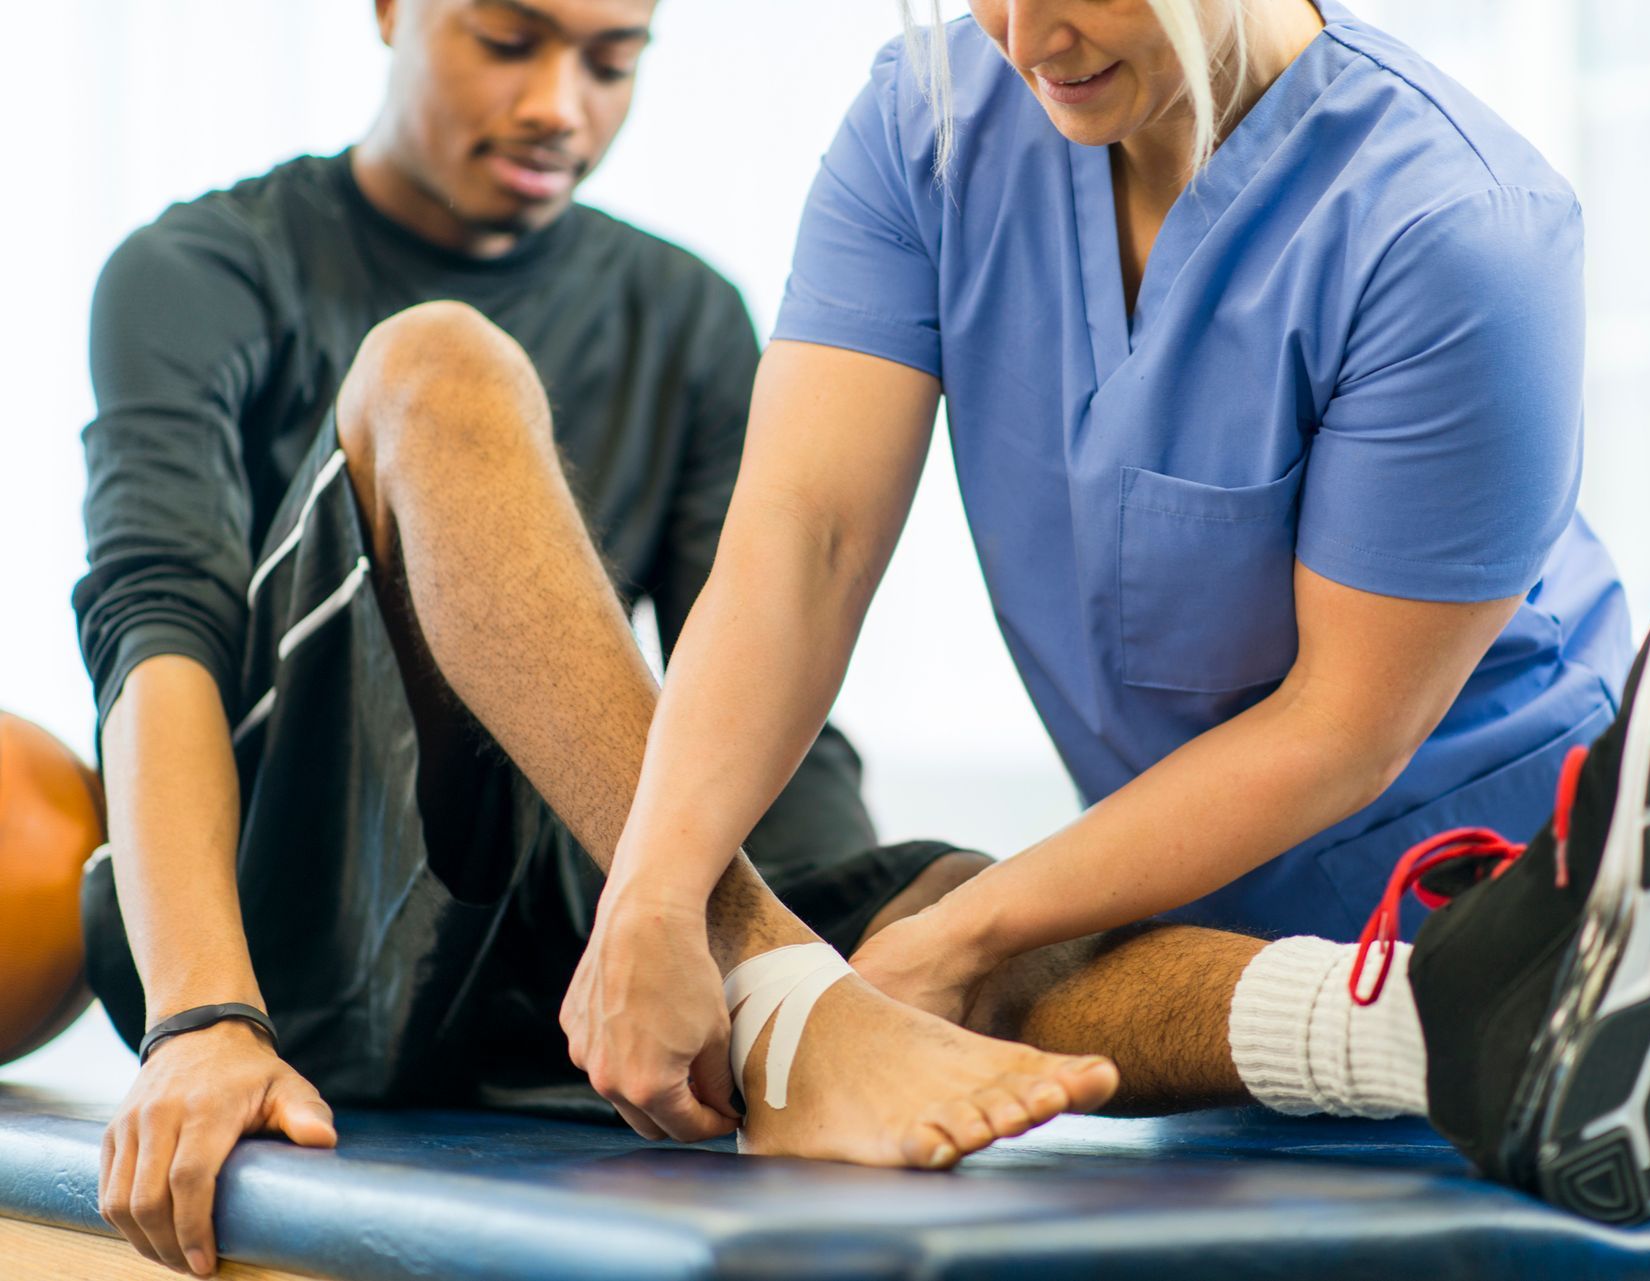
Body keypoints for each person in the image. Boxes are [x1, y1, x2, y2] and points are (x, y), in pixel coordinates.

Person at [562, 0, 1650, 1231]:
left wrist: (961, 935)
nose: (1027, 39)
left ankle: (1525, 999)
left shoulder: (1455, 229)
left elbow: (1342, 728)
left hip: (1491, 905)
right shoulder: (933, 126)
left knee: (956, 930)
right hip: (1191, 943)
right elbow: (806, 542)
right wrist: (655, 893)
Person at [71, 1, 1120, 1275]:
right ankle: (790, 997)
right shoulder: (198, 267)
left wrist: (860, 942)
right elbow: (154, 636)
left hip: (576, 959)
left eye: (612, 62)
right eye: (509, 43)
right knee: (434, 362)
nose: (560, 108)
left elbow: (753, 675)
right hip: (289, 946)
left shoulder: (682, 310)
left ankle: (1341, 1026)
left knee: (982, 915)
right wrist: (199, 1017)